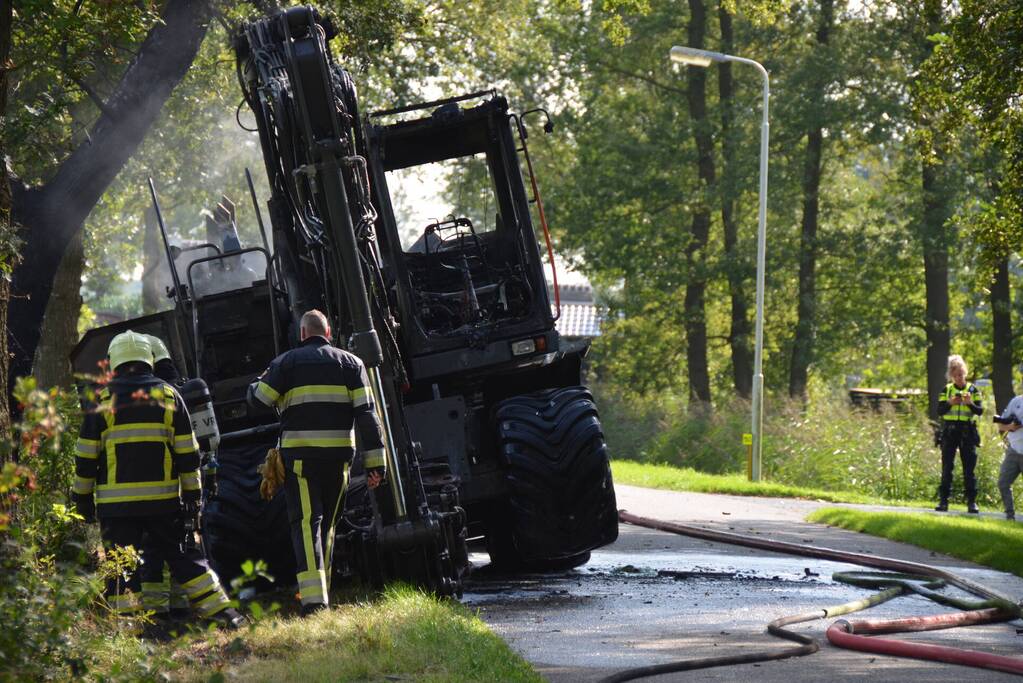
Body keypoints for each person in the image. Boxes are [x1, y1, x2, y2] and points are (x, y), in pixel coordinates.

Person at [72, 331, 244, 628]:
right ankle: (225, 615)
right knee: (187, 560)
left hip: (117, 508)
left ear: (114, 361)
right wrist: (193, 497)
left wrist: (82, 500)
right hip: (164, 503)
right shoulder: (168, 395)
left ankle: (131, 631)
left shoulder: (102, 399)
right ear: (148, 359)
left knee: (122, 568)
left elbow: (86, 456)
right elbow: (187, 454)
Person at [247, 310, 387, 614]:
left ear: (302, 334)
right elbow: (368, 415)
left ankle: (314, 602)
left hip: (301, 460)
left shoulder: (285, 363)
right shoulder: (352, 363)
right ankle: (322, 592)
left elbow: (258, 400)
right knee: (328, 526)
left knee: (307, 524)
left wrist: (259, 380)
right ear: (328, 333)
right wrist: (377, 464)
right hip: (339, 460)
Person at [935, 354, 983, 513]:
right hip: (950, 431)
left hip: (967, 431)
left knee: (969, 468)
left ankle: (972, 502)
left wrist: (970, 403)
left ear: (965, 373)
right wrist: (950, 402)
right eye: (955, 375)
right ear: (951, 376)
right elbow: (940, 411)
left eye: (961, 374)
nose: (959, 378)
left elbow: (980, 411)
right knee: (947, 467)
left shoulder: (973, 389)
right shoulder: (947, 389)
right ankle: (943, 501)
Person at [995, 391, 1023, 521]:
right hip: (1013, 450)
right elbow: (1001, 425)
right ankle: (1010, 515)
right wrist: (1011, 427)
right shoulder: (1016, 401)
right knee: (1003, 483)